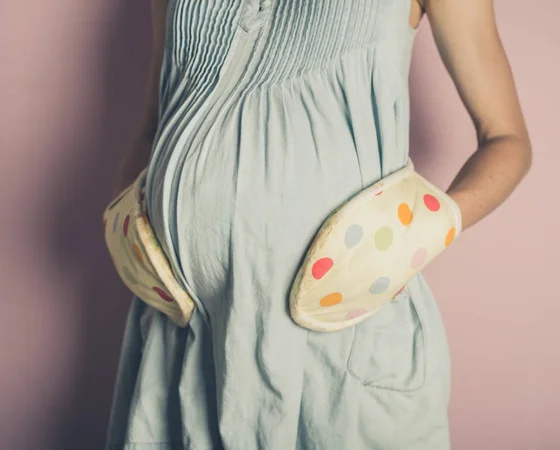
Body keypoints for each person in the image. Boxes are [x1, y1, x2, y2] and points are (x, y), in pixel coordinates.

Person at [106, 0, 532, 449]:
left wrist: (422, 233)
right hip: (188, 333)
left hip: (341, 326)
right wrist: (128, 223)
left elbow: (506, 138)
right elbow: (156, 123)